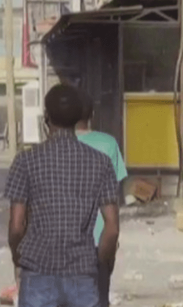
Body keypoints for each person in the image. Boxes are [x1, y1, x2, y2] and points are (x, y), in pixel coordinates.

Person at [5, 84, 120, 307]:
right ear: (79, 118)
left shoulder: (25, 161)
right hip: (83, 275)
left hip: (37, 273)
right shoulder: (101, 163)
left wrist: (18, 259)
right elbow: (112, 228)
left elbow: (17, 226)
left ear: (46, 117)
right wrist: (101, 263)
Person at [76, 92, 128, 307]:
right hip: (99, 241)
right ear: (92, 115)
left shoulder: (51, 148)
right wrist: (110, 255)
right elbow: (113, 201)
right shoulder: (108, 144)